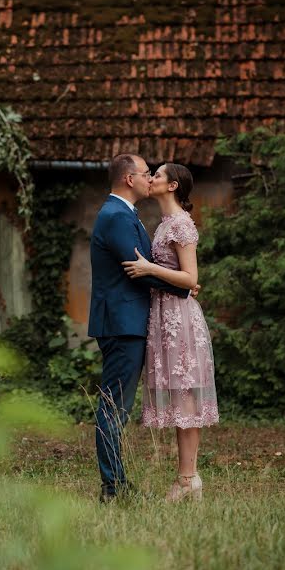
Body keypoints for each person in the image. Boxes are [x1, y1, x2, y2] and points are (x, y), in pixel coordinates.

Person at [88, 153, 195, 503]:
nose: (150, 178)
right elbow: (139, 267)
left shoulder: (125, 214)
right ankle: (113, 487)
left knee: (117, 405)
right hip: (122, 323)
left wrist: (181, 281)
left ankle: (116, 483)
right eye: (146, 173)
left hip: (128, 321)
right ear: (128, 179)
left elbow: (149, 267)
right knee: (114, 406)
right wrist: (184, 285)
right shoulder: (117, 216)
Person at [122, 162, 219, 502]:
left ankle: (188, 478)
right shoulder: (164, 225)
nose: (152, 179)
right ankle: (186, 478)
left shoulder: (180, 224)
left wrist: (149, 268)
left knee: (186, 398)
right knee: (180, 399)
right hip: (164, 315)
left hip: (180, 318)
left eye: (158, 175)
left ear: (173, 186)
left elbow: (190, 277)